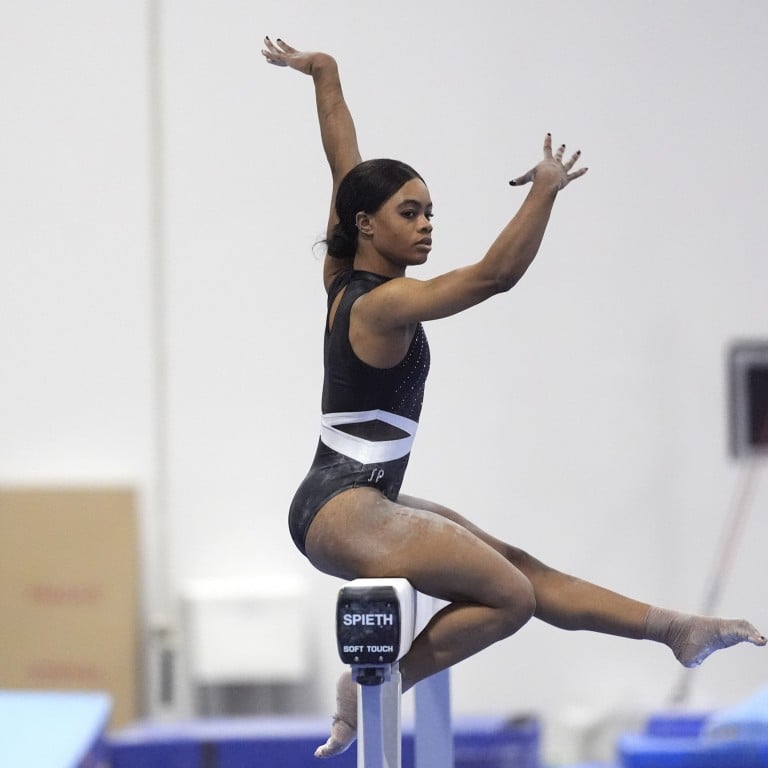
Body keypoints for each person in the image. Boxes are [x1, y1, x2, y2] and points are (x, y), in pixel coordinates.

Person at [261, 38, 766, 759]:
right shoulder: (383, 305)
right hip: (344, 507)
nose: (427, 223)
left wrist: (326, 74)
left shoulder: (344, 274)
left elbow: (343, 162)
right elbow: (495, 276)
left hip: (356, 495)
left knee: (519, 569)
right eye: (411, 212)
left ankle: (674, 628)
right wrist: (545, 189)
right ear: (368, 225)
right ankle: (375, 685)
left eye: (431, 210)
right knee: (510, 598)